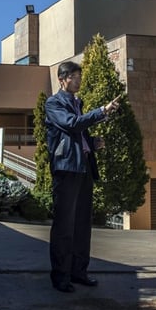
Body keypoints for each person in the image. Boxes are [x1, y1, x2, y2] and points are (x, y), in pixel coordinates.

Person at [45, 61, 120, 293]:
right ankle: (61, 277)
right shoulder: (54, 103)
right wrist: (101, 111)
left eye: (80, 76)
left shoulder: (78, 103)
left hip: (84, 167)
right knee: (64, 226)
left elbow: (79, 133)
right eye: (75, 76)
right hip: (67, 169)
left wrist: (93, 143)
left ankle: (79, 272)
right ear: (62, 79)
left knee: (82, 225)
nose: (79, 80)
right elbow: (71, 125)